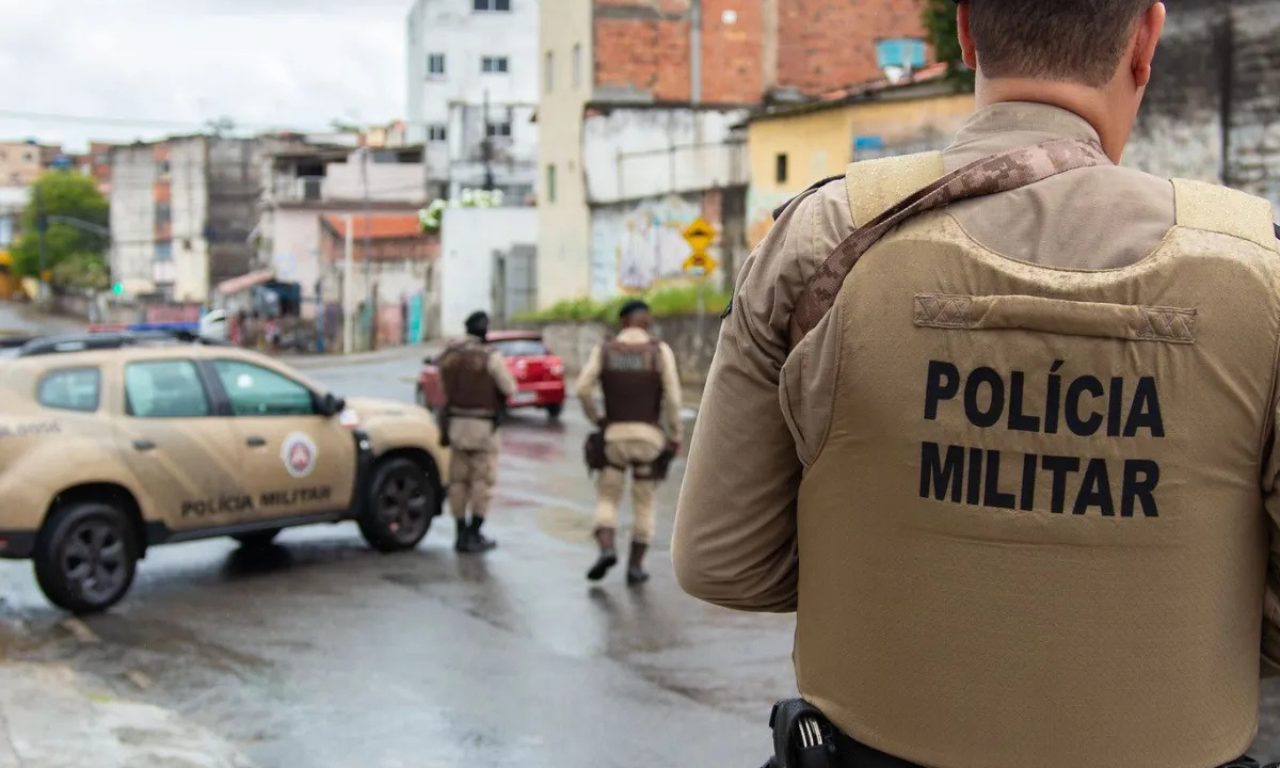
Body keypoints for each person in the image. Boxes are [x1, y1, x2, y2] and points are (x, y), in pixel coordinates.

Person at [673, 1, 1280, 767]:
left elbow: (722, 561)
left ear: (964, 31)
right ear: (1145, 38)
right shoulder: (1256, 267)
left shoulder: (827, 237)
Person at [576, 300, 683, 586]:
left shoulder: (604, 350)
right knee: (644, 501)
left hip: (614, 439)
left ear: (622, 322)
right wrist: (674, 434)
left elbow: (582, 388)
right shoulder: (660, 351)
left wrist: (598, 419)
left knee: (607, 497)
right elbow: (673, 398)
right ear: (647, 321)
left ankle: (607, 548)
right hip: (649, 439)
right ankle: (635, 567)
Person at [437, 311, 516, 554]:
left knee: (458, 481)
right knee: (482, 481)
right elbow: (509, 387)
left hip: (456, 425)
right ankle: (474, 531)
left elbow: (442, 387)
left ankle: (460, 531)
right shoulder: (490, 356)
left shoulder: (450, 355)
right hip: (483, 427)